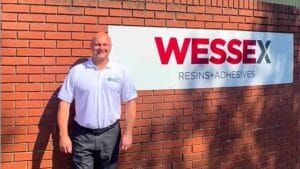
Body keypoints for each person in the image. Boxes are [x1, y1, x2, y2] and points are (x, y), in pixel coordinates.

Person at [57, 32, 137, 169]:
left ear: (110, 47)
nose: (101, 48)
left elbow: (130, 102)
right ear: (91, 46)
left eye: (105, 44)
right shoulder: (77, 72)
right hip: (82, 135)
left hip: (110, 135)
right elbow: (64, 103)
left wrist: (128, 133)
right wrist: (63, 135)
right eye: (97, 44)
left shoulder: (121, 71)